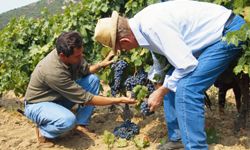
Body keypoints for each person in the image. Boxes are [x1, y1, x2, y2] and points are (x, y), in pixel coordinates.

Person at [93, 1, 245, 150]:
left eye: (122, 49)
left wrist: (161, 91)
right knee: (170, 80)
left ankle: (196, 147)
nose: (125, 51)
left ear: (125, 40)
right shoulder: (140, 25)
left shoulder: (152, 26)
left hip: (229, 32)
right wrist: (159, 85)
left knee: (187, 89)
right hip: (211, 37)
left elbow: (186, 64)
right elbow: (160, 55)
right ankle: (178, 138)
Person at [24, 31, 135, 147]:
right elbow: (86, 99)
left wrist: (101, 64)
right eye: (77, 56)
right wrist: (118, 100)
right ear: (62, 55)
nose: (81, 57)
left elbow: (86, 70)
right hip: (38, 104)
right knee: (67, 121)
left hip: (58, 96)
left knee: (92, 80)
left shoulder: (72, 55)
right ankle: (44, 131)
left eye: (81, 53)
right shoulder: (53, 71)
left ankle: (81, 124)